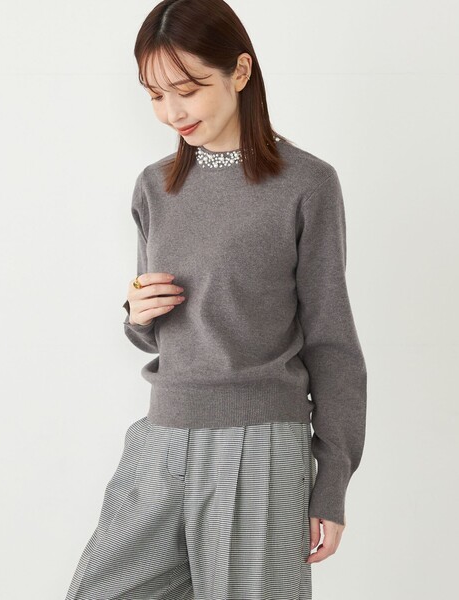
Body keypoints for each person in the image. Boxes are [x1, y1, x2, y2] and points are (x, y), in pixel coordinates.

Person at [64, 1, 367, 598]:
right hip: (161, 436)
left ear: (240, 72)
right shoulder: (155, 186)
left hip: (261, 445)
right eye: (155, 95)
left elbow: (332, 342)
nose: (171, 112)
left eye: (188, 89)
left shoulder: (307, 184)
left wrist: (331, 481)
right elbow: (156, 323)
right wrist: (136, 314)